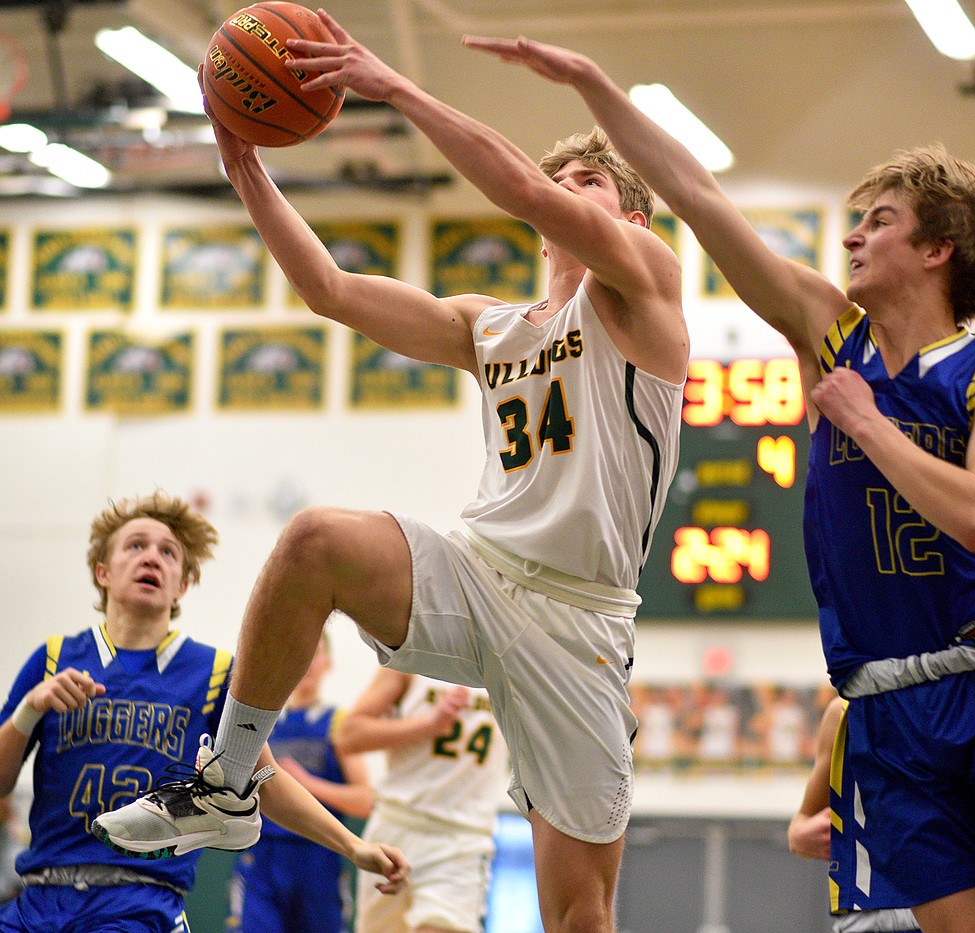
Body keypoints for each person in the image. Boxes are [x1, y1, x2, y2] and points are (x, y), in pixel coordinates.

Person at [462, 37, 975, 933]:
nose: (853, 233)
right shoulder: (830, 332)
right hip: (880, 706)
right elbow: (699, 198)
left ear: (939, 247)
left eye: (879, 219)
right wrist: (597, 89)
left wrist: (865, 423)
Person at [92, 11, 688, 933]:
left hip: (582, 619)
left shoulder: (646, 283)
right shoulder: (490, 327)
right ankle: (230, 778)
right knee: (314, 540)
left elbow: (524, 186)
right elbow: (329, 290)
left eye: (591, 182)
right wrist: (244, 168)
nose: (566, 190)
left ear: (633, 218)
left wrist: (400, 88)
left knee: (579, 913)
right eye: (563, 179)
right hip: (480, 571)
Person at [0, 492, 406, 933]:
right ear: (103, 572)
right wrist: (27, 710)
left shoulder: (215, 673)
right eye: (135, 545)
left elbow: (266, 781)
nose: (152, 557)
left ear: (183, 583)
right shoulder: (54, 659)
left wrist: (351, 846)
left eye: (168, 552)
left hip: (140, 901)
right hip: (38, 899)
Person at [333, 669, 508, 933]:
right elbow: (348, 737)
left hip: (462, 838)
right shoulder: (409, 654)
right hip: (395, 826)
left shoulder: (509, 660)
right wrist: (430, 724)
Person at [226, 633, 374, 933]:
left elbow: (364, 800)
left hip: (317, 855)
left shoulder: (338, 722)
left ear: (327, 663)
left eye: (314, 652)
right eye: (298, 650)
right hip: (262, 854)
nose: (306, 660)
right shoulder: (261, 722)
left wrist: (306, 784)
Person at [789, 696, 920, 933]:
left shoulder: (963, 700)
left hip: (949, 906)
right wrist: (800, 837)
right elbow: (803, 821)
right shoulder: (843, 711)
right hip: (864, 916)